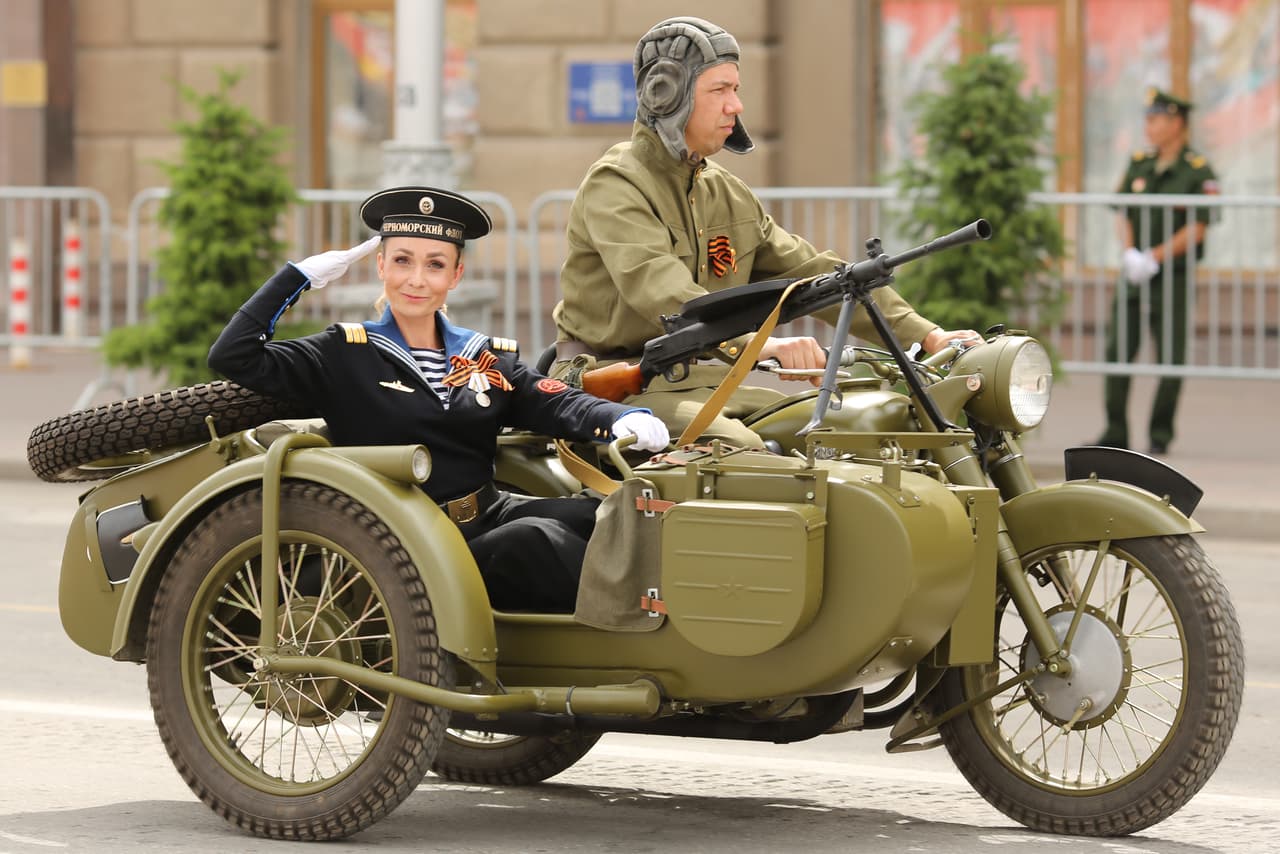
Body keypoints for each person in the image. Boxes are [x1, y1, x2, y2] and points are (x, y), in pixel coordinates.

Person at [209, 186, 669, 613]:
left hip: (485, 515)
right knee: (534, 540)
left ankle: (661, 618)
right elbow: (234, 356)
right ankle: (625, 636)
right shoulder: (343, 353)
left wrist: (619, 418)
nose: (417, 279)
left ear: (455, 274)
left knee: (605, 513)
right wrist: (297, 278)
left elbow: (554, 400)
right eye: (402, 261)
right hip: (404, 540)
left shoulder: (483, 354)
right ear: (381, 267)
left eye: (434, 265)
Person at [550, 15, 983, 448]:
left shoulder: (726, 192)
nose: (736, 106)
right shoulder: (617, 183)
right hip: (610, 384)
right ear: (666, 96)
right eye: (720, 90)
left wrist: (927, 336)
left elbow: (815, 274)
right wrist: (765, 346)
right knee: (741, 455)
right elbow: (666, 295)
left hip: (699, 380)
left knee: (844, 430)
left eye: (735, 90)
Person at [1097, 88, 1219, 455]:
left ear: (1177, 122)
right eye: (1147, 119)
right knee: (1118, 349)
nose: (1148, 126)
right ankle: (1115, 430)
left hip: (1172, 277)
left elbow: (1198, 226)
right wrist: (1131, 253)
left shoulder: (1198, 170)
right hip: (1135, 273)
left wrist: (1155, 257)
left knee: (1171, 356)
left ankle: (1160, 434)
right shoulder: (1140, 163)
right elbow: (1123, 212)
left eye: (1156, 119)